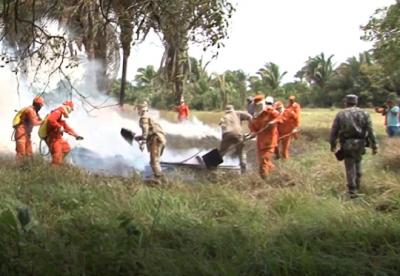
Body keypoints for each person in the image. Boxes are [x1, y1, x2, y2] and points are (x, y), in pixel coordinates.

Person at [330, 94, 378, 198]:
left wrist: (333, 145)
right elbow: (371, 131)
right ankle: (357, 186)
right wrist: (374, 146)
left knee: (350, 167)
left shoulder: (341, 114)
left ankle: (352, 191)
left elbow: (334, 131)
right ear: (356, 102)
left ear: (346, 102)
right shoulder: (364, 113)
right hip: (360, 143)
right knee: (358, 164)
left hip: (347, 144)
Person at [250, 95, 281, 178]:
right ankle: (277, 173)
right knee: (262, 161)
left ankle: (264, 180)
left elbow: (280, 117)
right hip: (260, 142)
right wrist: (253, 132)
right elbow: (254, 128)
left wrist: (274, 121)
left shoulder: (270, 111)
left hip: (270, 141)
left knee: (264, 160)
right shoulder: (255, 116)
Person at [135, 102, 167, 179]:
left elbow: (145, 130)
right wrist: (140, 137)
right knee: (155, 161)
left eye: (138, 109)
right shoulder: (150, 116)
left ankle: (160, 179)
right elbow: (151, 131)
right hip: (160, 138)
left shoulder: (144, 117)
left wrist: (143, 142)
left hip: (156, 139)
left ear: (140, 109)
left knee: (154, 162)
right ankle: (158, 177)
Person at [46, 100, 83, 165]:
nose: (71, 111)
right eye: (71, 109)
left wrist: (76, 135)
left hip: (58, 138)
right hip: (53, 139)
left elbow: (67, 128)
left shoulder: (61, 116)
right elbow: (50, 120)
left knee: (66, 148)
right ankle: (54, 168)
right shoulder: (58, 112)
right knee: (57, 158)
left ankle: (57, 162)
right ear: (68, 107)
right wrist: (59, 127)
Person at [219, 105, 252, 173]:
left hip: (226, 134)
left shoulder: (224, 117)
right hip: (238, 134)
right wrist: (252, 128)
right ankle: (243, 168)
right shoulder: (238, 113)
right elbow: (250, 117)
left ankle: (212, 165)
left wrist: (224, 144)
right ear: (233, 109)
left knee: (222, 152)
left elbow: (222, 128)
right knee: (241, 151)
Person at [14, 96, 44, 161]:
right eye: (41, 105)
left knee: (29, 153)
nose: (41, 107)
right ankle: (17, 169)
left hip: (27, 134)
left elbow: (39, 119)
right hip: (21, 134)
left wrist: (44, 120)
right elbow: (34, 122)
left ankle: (28, 168)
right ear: (38, 105)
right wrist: (43, 122)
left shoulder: (35, 112)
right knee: (21, 153)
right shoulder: (30, 110)